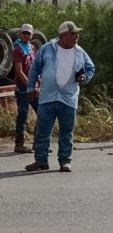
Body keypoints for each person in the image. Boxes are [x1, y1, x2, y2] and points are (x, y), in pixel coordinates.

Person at [25, 21, 94, 173]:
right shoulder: (47, 49)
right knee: (43, 131)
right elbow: (34, 68)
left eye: (77, 33)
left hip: (68, 98)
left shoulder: (80, 52)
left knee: (67, 131)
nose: (77, 36)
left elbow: (90, 68)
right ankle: (41, 161)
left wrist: (85, 77)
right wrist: (31, 87)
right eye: (73, 33)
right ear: (63, 36)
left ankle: (65, 162)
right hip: (47, 97)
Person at [12, 23, 39, 153]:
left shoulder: (32, 48)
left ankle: (38, 142)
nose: (26, 35)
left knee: (42, 113)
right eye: (24, 33)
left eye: (28, 33)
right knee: (23, 114)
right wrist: (29, 85)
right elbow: (19, 71)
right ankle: (19, 144)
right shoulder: (17, 49)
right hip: (23, 88)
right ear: (20, 34)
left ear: (32, 34)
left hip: (33, 86)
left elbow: (34, 67)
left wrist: (37, 82)